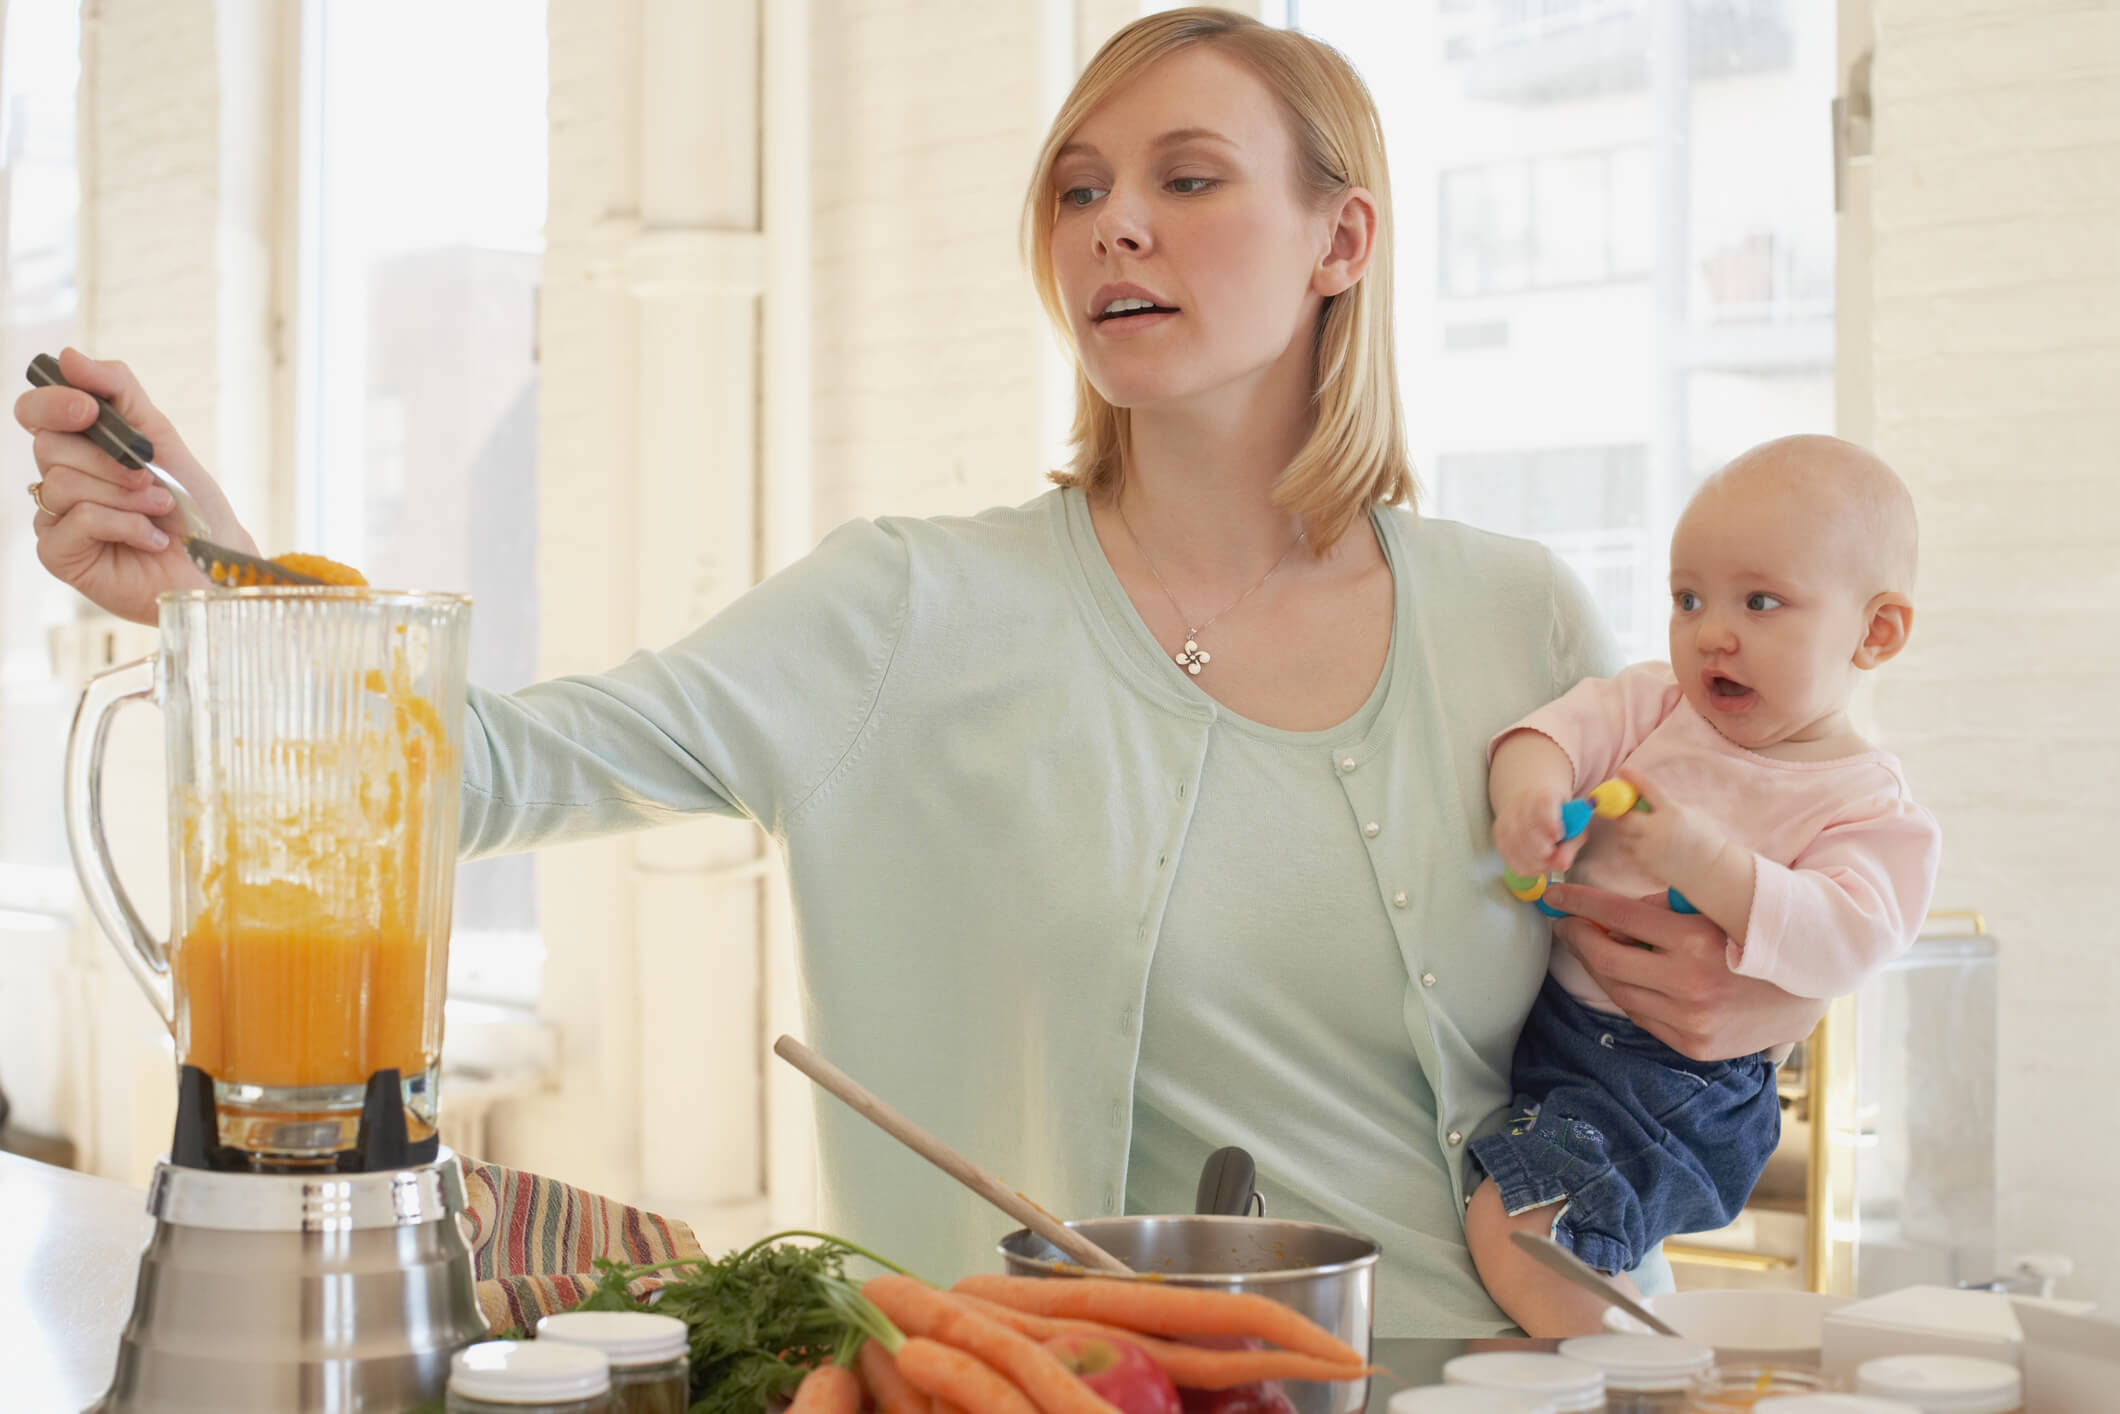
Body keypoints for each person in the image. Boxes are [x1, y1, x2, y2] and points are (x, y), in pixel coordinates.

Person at [15, 8, 1830, 1334]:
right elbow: (484, 770)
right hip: (1073, 1388)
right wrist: (226, 585)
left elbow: (1686, 989)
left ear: (1342, 239)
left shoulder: (1524, 619)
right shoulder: (907, 611)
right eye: (1079, 191)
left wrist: (1749, 974)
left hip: (1541, 1380)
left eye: (1188, 180)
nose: (1114, 224)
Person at [1466, 435, 1942, 1335]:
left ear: (1874, 633)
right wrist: (1527, 798)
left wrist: (1708, 864)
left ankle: (1637, 1369)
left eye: (1761, 601)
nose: (1712, 631)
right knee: (1511, 1203)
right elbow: (1550, 733)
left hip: (1677, 1085)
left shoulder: (1866, 802)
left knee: (1523, 1228)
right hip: (1559, 1038)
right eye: (1689, 599)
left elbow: (1849, 940)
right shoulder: (1656, 702)